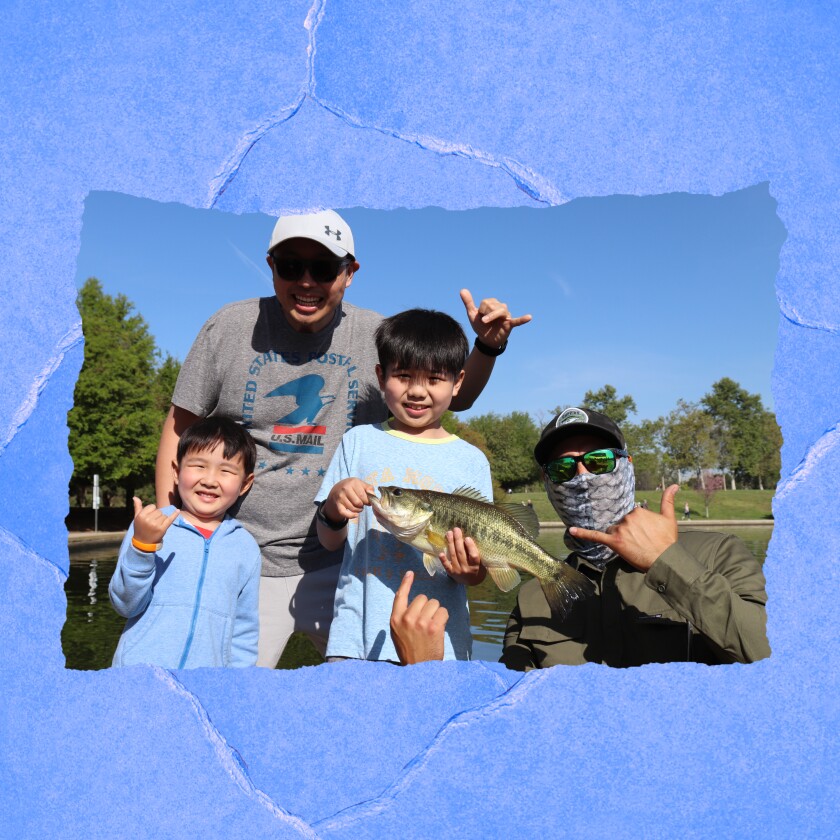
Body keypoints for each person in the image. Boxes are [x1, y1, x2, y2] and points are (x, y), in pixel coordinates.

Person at [154, 209, 530, 668]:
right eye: (291, 265)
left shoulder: (375, 333)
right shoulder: (228, 328)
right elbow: (179, 426)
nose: (307, 281)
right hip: (245, 555)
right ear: (270, 265)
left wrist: (487, 347)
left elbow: (452, 396)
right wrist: (173, 528)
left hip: (354, 570)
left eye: (324, 268)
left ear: (350, 273)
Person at [390, 406, 770, 668]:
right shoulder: (532, 597)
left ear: (627, 466)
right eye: (563, 469)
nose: (583, 478)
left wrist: (666, 561)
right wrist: (426, 675)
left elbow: (776, 658)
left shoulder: (718, 553)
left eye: (600, 461)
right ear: (548, 484)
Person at [315, 309, 492, 662]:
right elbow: (330, 540)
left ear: (457, 383)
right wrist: (334, 507)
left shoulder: (472, 460)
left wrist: (471, 572)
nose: (417, 391)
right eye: (404, 375)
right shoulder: (358, 441)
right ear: (381, 377)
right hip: (357, 643)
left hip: (441, 646)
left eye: (434, 379)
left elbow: (477, 574)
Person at [110, 417, 260, 668]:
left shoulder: (246, 548)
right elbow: (124, 604)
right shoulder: (150, 525)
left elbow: (244, 631)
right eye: (199, 466)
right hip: (139, 679)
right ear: (177, 472)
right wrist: (143, 547)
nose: (210, 480)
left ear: (245, 484)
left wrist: (237, 685)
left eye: (226, 471)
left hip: (205, 686)